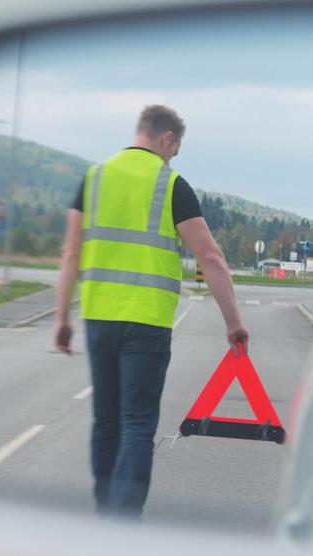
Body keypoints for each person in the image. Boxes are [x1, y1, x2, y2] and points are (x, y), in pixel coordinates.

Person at [52, 105, 249, 521]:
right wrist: (233, 322)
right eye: (175, 149)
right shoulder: (171, 184)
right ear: (167, 139)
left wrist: (61, 319)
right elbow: (210, 257)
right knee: (137, 425)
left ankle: (105, 512)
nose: (173, 157)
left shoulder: (93, 179)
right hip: (148, 324)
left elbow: (71, 251)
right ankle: (122, 524)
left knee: (105, 422)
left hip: (100, 319)